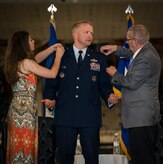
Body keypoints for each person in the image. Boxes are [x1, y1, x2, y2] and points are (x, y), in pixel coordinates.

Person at [42, 20, 119, 164]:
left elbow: (104, 85)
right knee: (65, 158)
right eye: (86, 32)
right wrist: (49, 99)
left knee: (91, 157)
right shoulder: (61, 56)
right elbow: (51, 83)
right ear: (75, 34)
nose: (90, 35)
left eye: (92, 33)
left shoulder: (99, 59)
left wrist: (110, 96)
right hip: (65, 116)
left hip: (90, 117)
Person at [100, 24, 161, 164]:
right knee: (140, 156)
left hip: (141, 117)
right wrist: (116, 49)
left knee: (142, 158)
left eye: (127, 40)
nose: (126, 43)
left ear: (135, 41)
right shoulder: (147, 50)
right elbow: (132, 54)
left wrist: (114, 73)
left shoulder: (145, 58)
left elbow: (131, 82)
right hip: (141, 117)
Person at [4, 31, 64, 164]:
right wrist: (58, 56)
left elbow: (36, 59)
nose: (34, 42)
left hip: (18, 110)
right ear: (24, 44)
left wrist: (51, 49)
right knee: (25, 148)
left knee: (18, 147)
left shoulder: (18, 62)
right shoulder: (27, 63)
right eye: (31, 40)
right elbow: (52, 74)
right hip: (25, 114)